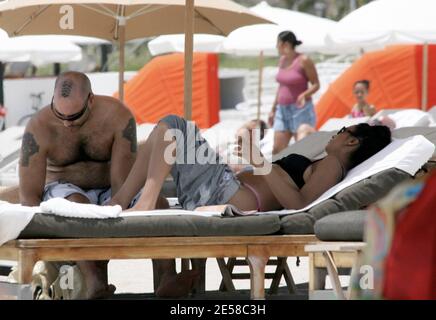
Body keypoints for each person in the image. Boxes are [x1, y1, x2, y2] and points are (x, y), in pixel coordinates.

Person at [110, 114, 392, 297]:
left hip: (230, 196)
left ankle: (135, 201)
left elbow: (301, 204)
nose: (336, 133)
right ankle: (127, 204)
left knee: (173, 127)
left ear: (353, 141)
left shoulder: (333, 164)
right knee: (165, 133)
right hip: (225, 192)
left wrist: (259, 163)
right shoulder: (324, 162)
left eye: (343, 130)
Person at [18, 71, 158, 299]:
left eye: (74, 117)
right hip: (64, 189)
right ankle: (95, 281)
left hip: (110, 189)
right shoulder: (38, 126)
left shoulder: (117, 116)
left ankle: (167, 277)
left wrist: (115, 206)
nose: (66, 122)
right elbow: (29, 195)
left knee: (157, 203)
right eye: (59, 113)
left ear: (90, 100)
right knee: (77, 205)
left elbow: (121, 183)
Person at [268, 31, 320, 155]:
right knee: (277, 149)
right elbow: (281, 86)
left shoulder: (304, 60)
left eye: (278, 44)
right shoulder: (282, 61)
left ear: (285, 44)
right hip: (282, 110)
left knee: (302, 150)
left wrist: (304, 95)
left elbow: (316, 84)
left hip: (300, 110)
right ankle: (281, 174)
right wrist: (273, 109)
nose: (276, 47)